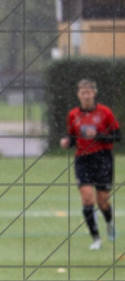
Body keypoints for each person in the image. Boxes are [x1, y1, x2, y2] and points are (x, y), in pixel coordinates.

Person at [59, 78, 120, 250]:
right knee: (87, 198)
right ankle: (96, 239)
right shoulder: (73, 115)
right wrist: (66, 142)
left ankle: (109, 222)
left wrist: (98, 135)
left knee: (102, 201)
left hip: (103, 158)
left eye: (89, 92)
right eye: (83, 93)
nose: (86, 96)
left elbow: (118, 136)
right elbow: (72, 138)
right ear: (78, 95)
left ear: (94, 93)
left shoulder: (105, 113)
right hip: (83, 160)